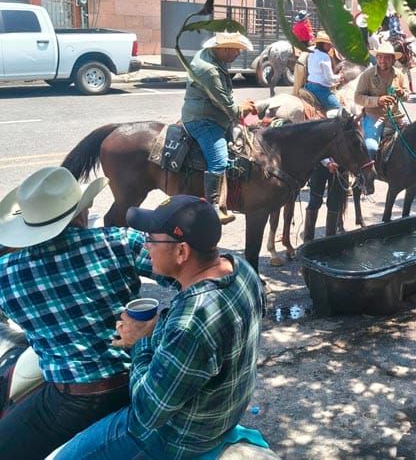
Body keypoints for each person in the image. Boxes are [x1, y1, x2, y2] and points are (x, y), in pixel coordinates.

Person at [54, 195, 264, 459]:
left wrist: (139, 341)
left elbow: (146, 412)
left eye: (152, 239)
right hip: (222, 412)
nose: (145, 245)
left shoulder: (191, 322)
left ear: (181, 252)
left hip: (180, 437)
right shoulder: (240, 268)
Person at [0, 167, 167, 460]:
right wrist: (161, 324)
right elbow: (189, 278)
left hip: (72, 400)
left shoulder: (6, 274)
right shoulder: (120, 242)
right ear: (80, 212)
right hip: (138, 378)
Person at [181, 30, 257, 225]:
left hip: (213, 113)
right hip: (204, 119)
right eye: (236, 50)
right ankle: (213, 207)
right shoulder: (209, 70)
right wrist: (242, 109)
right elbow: (225, 103)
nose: (238, 54)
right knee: (219, 161)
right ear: (223, 48)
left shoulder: (213, 58)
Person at [354, 42, 409, 159]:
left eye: (387, 57)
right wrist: (378, 100)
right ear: (376, 58)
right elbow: (357, 97)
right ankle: (365, 176)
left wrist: (402, 93)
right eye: (380, 57)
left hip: (395, 116)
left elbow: (406, 95)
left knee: (415, 141)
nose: (383, 60)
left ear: (393, 59)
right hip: (374, 116)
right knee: (371, 148)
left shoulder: (399, 75)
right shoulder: (367, 75)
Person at [305, 31, 341, 111]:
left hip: (308, 86)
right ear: (322, 44)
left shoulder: (311, 53)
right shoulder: (324, 56)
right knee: (338, 109)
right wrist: (340, 77)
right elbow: (329, 78)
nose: (330, 47)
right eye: (328, 44)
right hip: (320, 89)